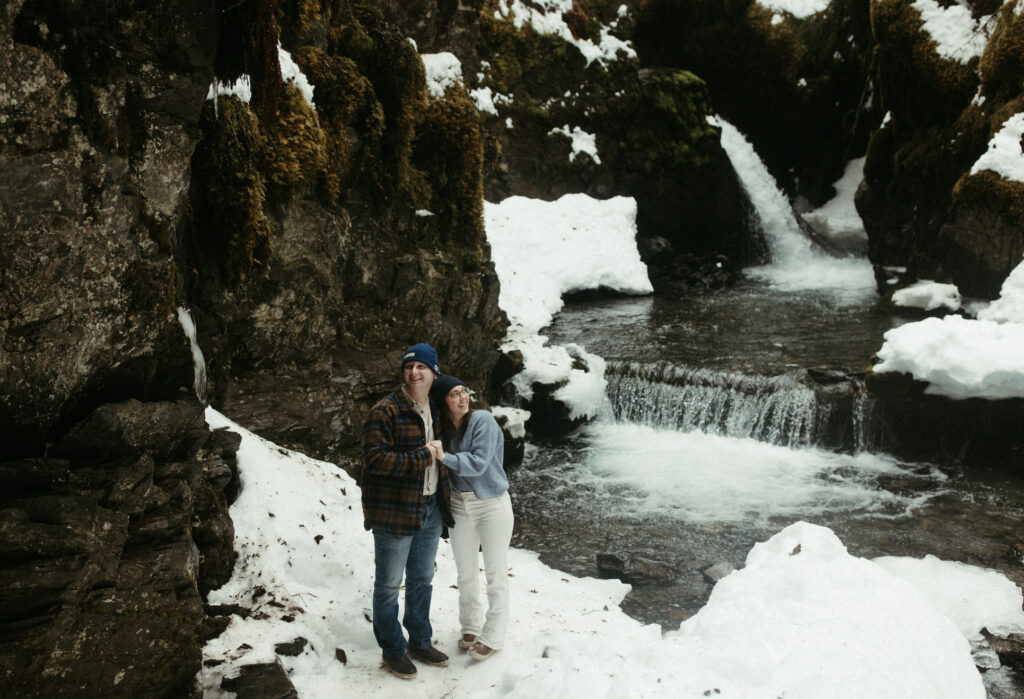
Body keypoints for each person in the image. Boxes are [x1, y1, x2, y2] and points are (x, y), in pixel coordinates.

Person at [361, 343, 455, 680]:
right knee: (388, 585)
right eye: (408, 367)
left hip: (429, 508)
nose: (413, 373)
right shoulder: (384, 411)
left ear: (433, 373)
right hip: (395, 511)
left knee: (422, 580)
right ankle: (393, 650)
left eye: (421, 368)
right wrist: (423, 456)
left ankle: (420, 641)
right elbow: (374, 461)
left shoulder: (437, 408)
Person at [429, 374, 514, 662]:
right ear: (443, 401)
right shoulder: (441, 427)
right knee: (465, 573)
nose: (463, 398)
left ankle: (493, 635)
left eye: (464, 392)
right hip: (459, 505)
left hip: (492, 504)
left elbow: (478, 464)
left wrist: (445, 457)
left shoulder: (483, 421)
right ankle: (470, 627)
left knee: (495, 573)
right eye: (454, 394)